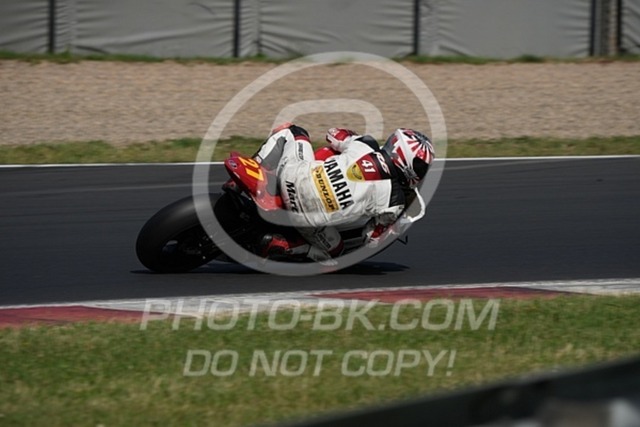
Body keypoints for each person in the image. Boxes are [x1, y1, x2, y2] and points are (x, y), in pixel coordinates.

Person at [251, 122, 435, 263]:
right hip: (307, 220)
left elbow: (332, 134)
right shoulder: (395, 201)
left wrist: (350, 137)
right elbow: (371, 240)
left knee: (293, 131)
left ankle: (255, 169)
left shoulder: (366, 144)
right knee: (335, 253)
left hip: (291, 178)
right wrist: (392, 230)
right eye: (420, 167)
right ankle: (281, 244)